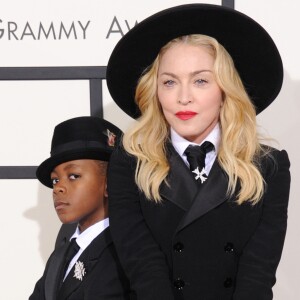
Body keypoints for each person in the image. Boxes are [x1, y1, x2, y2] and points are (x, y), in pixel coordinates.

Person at [105, 4, 291, 300]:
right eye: (169, 82)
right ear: (155, 91)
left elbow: (258, 272)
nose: (183, 97)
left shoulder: (269, 166)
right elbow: (143, 266)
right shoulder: (130, 163)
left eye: (200, 80)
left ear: (225, 89)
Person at [29, 116, 133, 300]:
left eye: (74, 176)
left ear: (110, 182)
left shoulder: (127, 254)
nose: (58, 188)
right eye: (55, 179)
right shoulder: (60, 256)